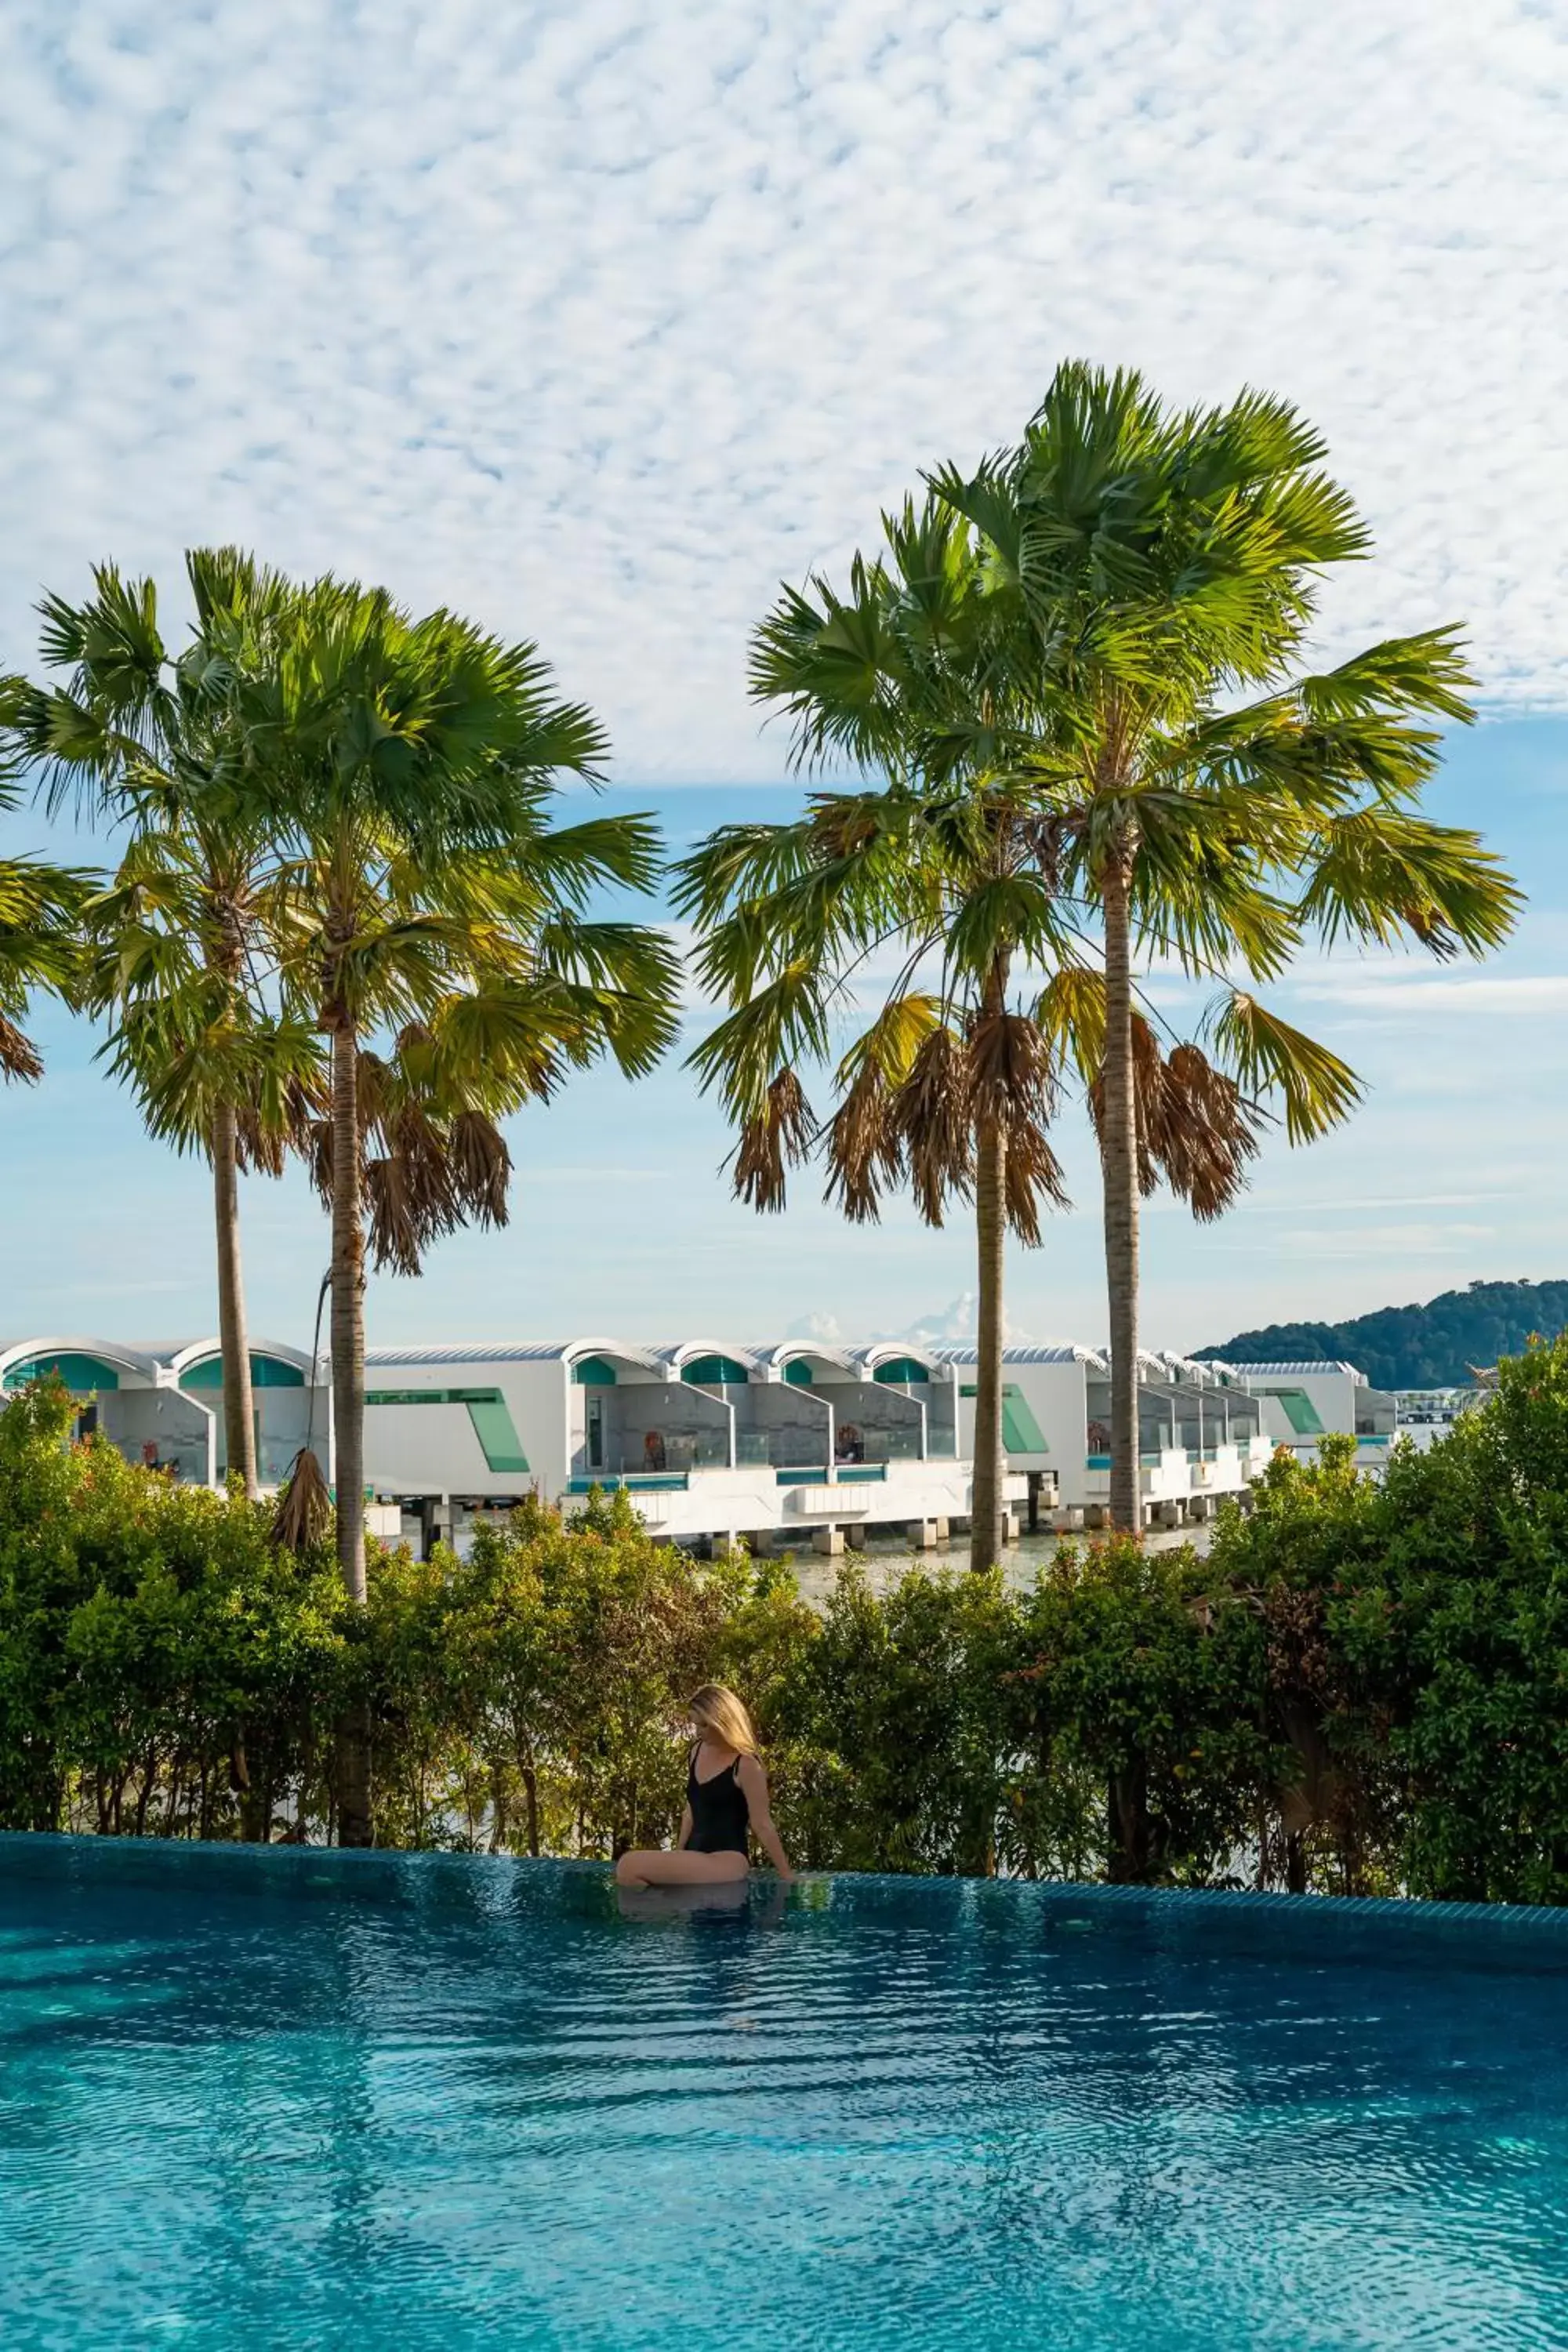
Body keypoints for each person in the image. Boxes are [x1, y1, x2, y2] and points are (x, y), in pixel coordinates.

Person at [615, 1684, 794, 1888]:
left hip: (728, 1860)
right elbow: (691, 1810)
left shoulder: (746, 1764)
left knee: (628, 1865)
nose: (698, 1732)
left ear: (723, 1722)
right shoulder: (697, 1751)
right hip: (695, 1855)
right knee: (628, 1878)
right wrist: (679, 1852)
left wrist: (787, 1875)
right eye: (695, 1725)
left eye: (704, 1725)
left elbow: (762, 1824)